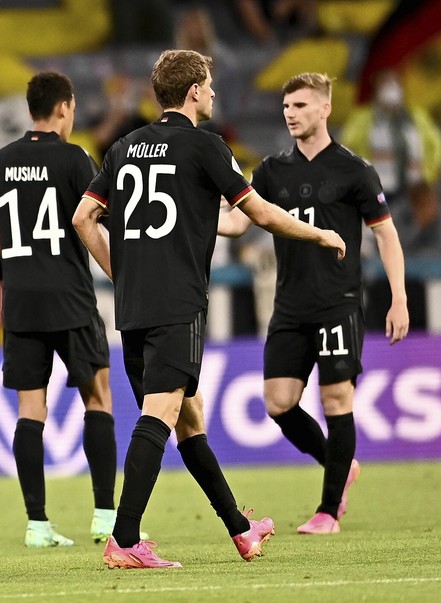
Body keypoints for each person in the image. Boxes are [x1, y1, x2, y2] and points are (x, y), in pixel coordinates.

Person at [73, 49, 346, 569]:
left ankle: (241, 530)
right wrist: (318, 233)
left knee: (188, 420)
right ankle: (124, 540)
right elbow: (259, 213)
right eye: (210, 85)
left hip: (132, 308)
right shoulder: (205, 146)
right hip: (178, 303)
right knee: (164, 413)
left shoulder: (124, 147)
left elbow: (85, 217)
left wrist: (122, 274)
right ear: (194, 90)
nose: (215, 92)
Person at [218, 72, 409, 534]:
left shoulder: (353, 169)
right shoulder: (270, 170)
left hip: (337, 302)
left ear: (325, 109)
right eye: (286, 107)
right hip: (289, 306)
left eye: (301, 106)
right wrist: (194, 220)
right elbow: (240, 224)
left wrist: (399, 297)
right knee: (278, 402)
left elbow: (385, 232)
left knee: (336, 397)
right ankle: (340, 465)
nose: (291, 114)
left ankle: (328, 511)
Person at [0, 71, 122, 548]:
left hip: (21, 305)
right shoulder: (74, 158)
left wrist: (10, 277)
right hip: (71, 298)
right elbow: (102, 217)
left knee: (29, 411)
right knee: (97, 398)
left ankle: (38, 524)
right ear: (64, 107)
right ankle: (104, 516)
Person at [340, 68, 441, 225]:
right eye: (386, 83)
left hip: (414, 190)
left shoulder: (416, 116)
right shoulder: (363, 119)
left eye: (394, 82)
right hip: (377, 190)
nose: (391, 88)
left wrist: (428, 175)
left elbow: (435, 147)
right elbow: (346, 149)